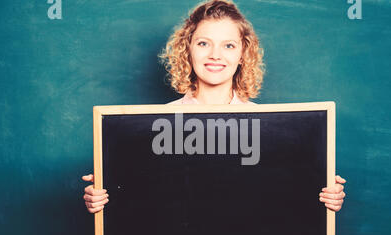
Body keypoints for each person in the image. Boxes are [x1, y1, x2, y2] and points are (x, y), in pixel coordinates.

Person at [82, 0, 346, 213]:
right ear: (187, 49)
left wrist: (321, 192)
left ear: (243, 54)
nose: (215, 55)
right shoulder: (154, 126)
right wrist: (107, 194)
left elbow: (282, 197)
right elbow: (142, 199)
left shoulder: (271, 130)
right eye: (203, 43)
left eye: (228, 45)